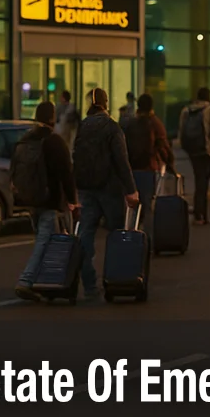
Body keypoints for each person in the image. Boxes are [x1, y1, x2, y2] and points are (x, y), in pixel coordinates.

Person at [72, 88, 139, 301]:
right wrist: (131, 190)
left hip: (85, 189)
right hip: (109, 189)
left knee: (85, 236)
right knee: (117, 236)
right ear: (106, 103)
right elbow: (121, 161)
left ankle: (90, 285)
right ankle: (116, 281)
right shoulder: (112, 127)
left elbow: (76, 157)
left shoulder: (82, 126)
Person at [12, 101, 77, 302]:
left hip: (30, 199)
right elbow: (66, 173)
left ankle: (47, 282)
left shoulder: (25, 139)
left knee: (43, 239)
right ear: (52, 118)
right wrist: (72, 200)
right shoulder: (54, 141)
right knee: (44, 242)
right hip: (50, 200)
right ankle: (26, 281)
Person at [178, 88, 210, 225]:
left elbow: (181, 130)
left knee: (200, 179)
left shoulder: (186, 110)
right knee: (203, 182)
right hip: (206, 151)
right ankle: (200, 213)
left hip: (193, 150)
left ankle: (200, 213)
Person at [125, 93, 176, 211]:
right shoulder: (155, 123)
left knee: (132, 206)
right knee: (147, 205)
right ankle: (145, 228)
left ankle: (132, 227)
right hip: (148, 168)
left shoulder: (131, 123)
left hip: (131, 169)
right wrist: (170, 166)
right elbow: (163, 147)